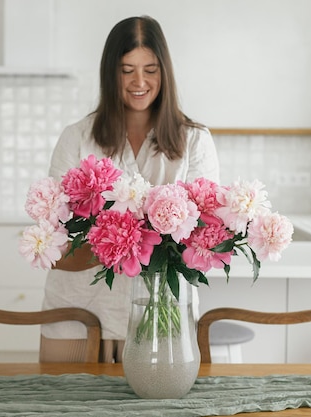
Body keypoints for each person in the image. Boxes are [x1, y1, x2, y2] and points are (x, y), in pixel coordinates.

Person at [40, 15, 220, 363]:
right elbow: (54, 247)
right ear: (111, 74)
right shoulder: (76, 138)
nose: (139, 81)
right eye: (127, 69)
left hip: (160, 317)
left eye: (150, 68)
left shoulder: (195, 141)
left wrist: (118, 242)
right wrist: (128, 244)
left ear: (164, 72)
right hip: (79, 315)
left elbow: (202, 242)